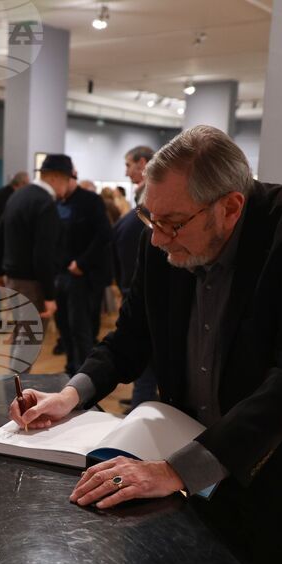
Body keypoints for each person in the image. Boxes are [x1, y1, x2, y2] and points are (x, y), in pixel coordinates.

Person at [8, 126, 282, 564]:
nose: (156, 239)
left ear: (231, 207)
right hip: (192, 475)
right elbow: (131, 336)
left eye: (171, 224)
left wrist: (175, 470)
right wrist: (68, 397)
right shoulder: (163, 236)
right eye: (149, 217)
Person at [0, 154, 73, 326]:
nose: (68, 185)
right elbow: (43, 254)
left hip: (13, 278)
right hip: (32, 284)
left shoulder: (18, 195)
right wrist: (50, 295)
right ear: (55, 177)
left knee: (21, 338)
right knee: (28, 342)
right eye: (67, 179)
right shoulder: (45, 203)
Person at [54, 171, 113, 376]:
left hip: (81, 276)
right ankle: (71, 368)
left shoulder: (90, 201)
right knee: (64, 326)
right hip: (61, 275)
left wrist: (82, 263)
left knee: (81, 328)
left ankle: (85, 375)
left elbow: (104, 234)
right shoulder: (58, 202)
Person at [117, 146, 158, 408]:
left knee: (147, 361)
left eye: (129, 164)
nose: (126, 170)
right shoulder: (139, 199)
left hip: (146, 288)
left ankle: (139, 407)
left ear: (142, 163)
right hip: (135, 284)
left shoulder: (149, 200)